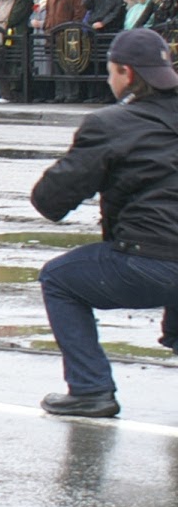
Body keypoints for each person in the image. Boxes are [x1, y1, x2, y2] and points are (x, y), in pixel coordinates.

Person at [27, 28, 178, 418]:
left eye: (110, 71)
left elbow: (50, 201)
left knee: (59, 278)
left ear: (126, 73)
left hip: (150, 259)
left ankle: (90, 388)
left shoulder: (110, 124)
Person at [45, 0, 86, 103]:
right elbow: (49, 10)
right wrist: (47, 27)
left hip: (67, 33)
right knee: (56, 63)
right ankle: (59, 93)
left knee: (69, 64)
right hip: (53, 31)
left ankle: (72, 94)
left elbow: (79, 11)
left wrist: (73, 29)